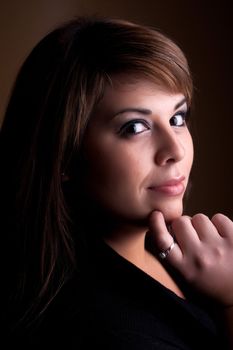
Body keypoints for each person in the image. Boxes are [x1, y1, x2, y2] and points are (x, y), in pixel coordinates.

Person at [1, 16, 233, 349]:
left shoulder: (175, 251)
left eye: (177, 118)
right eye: (135, 127)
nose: (175, 149)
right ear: (64, 154)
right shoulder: (112, 332)